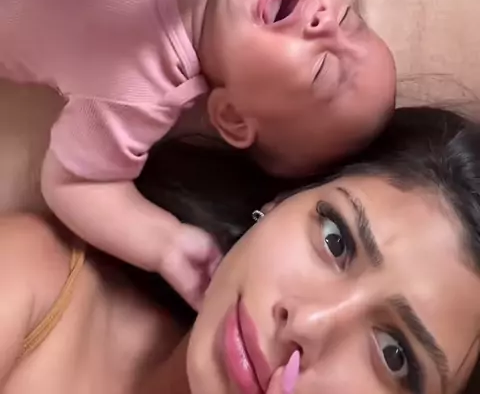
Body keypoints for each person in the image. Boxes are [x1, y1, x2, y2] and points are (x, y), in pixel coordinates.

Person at [0, 0, 395, 308]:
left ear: (233, 118)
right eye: (347, 18)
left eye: (322, 69)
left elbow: (76, 183)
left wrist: (166, 244)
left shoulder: (140, 91)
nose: (325, 22)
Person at [0, 105, 479, 393]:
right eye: (336, 240)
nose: (309, 324)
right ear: (278, 204)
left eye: (395, 355)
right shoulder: (39, 285)